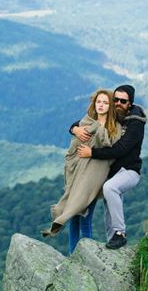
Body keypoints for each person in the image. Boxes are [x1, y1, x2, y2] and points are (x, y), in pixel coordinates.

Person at [42, 89, 122, 254]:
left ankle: (87, 257)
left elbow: (111, 149)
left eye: (105, 103)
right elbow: (74, 144)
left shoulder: (115, 127)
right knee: (73, 217)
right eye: (99, 102)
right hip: (77, 174)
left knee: (85, 216)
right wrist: (75, 129)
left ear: (111, 106)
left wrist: (98, 132)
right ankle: (72, 255)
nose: (101, 105)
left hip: (93, 178)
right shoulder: (86, 122)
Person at [74, 84, 147, 250]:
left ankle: (120, 234)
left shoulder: (135, 123)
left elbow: (121, 149)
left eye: (123, 101)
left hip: (130, 171)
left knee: (110, 188)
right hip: (112, 172)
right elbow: (85, 121)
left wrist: (91, 152)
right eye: (115, 100)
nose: (118, 103)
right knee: (109, 200)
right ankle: (113, 241)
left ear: (130, 103)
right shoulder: (113, 115)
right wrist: (75, 129)